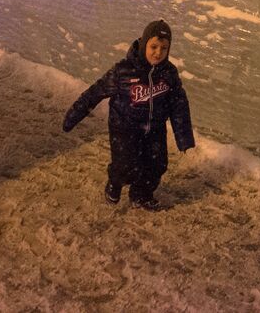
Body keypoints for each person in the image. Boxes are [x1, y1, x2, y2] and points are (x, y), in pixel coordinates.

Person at [62, 19, 195, 210]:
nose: (158, 53)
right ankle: (115, 183)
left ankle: (141, 195)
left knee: (157, 165)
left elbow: (179, 105)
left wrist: (183, 138)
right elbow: (94, 93)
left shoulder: (169, 74)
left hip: (154, 128)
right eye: (154, 46)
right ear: (144, 44)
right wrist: (72, 117)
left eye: (164, 48)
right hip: (124, 127)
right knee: (125, 165)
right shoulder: (123, 71)